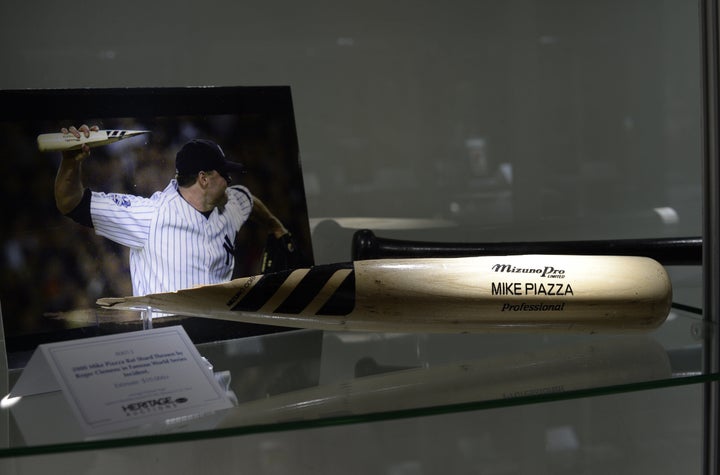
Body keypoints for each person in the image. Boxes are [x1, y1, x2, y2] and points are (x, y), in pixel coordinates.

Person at [55, 124, 289, 296]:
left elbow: (247, 199)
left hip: (219, 338)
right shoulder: (151, 215)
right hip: (167, 348)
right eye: (224, 174)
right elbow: (70, 202)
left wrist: (276, 228)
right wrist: (70, 162)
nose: (229, 181)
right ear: (203, 179)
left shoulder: (229, 204)